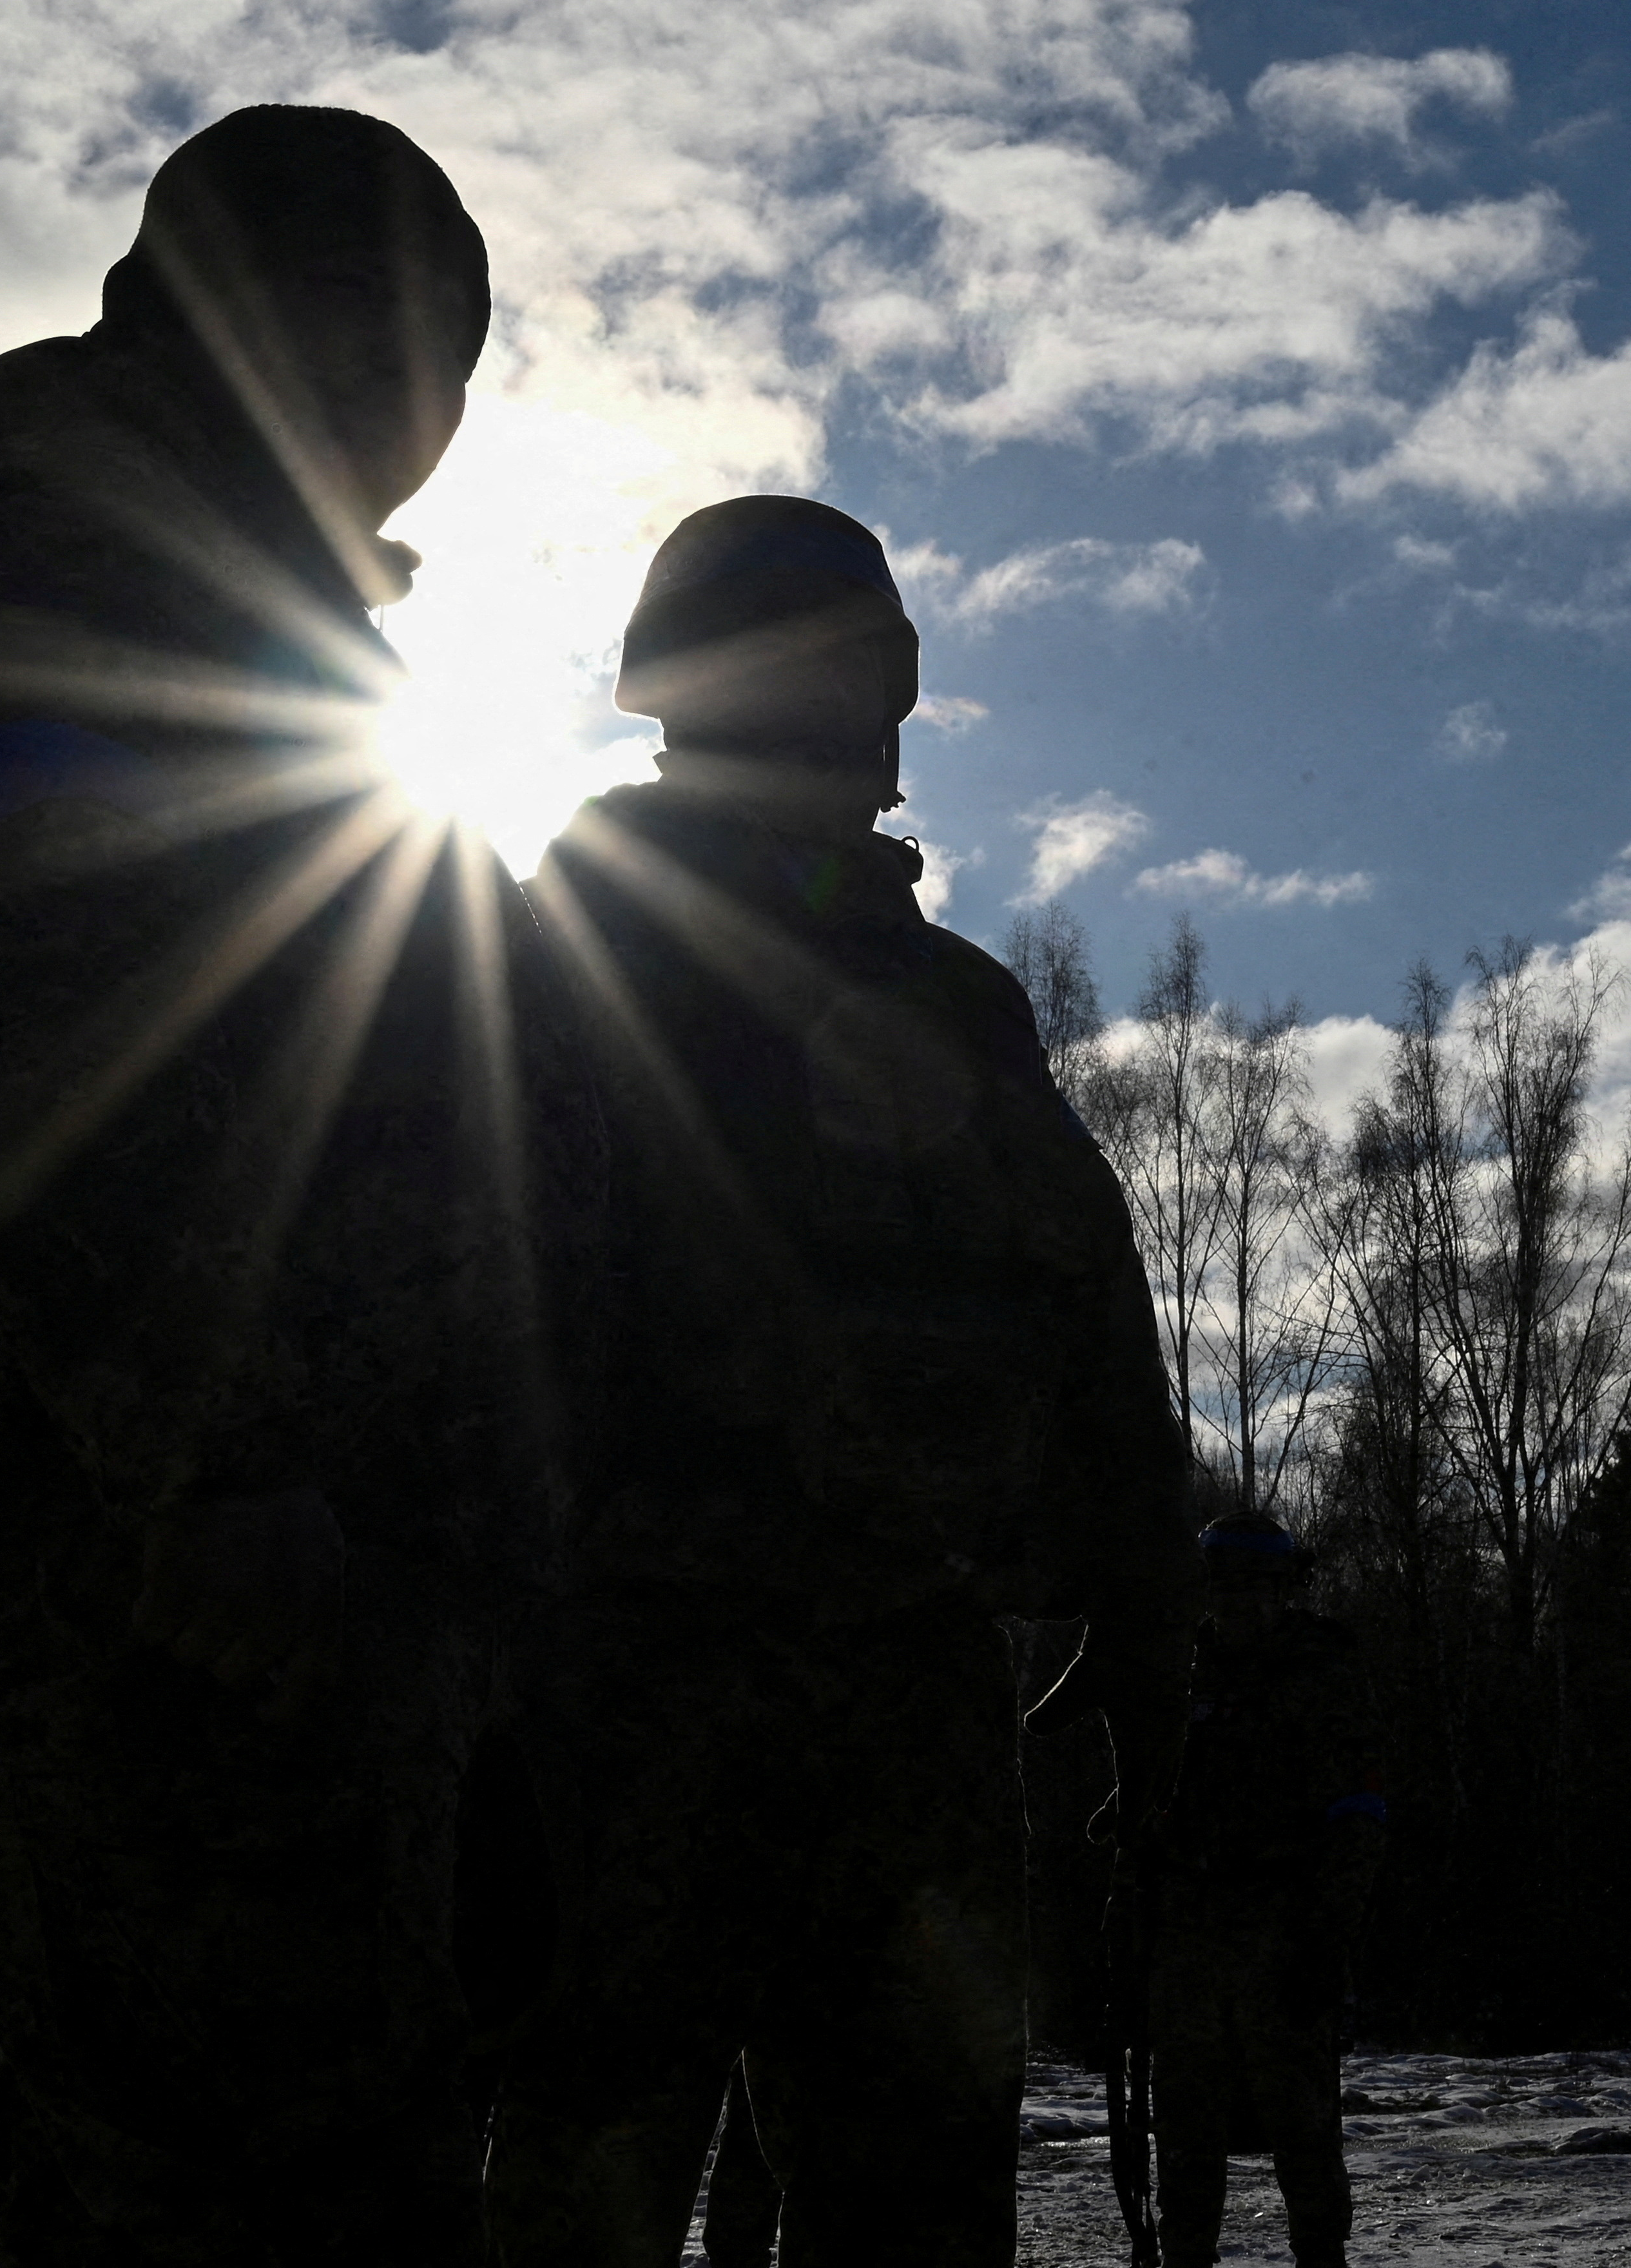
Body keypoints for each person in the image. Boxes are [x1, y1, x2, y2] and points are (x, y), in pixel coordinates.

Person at [0, 104, 604, 2268]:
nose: (430, 424)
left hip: (316, 1558)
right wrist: (227, 1469)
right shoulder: (30, 567)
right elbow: (35, 1046)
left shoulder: (272, 628)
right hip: (144, 1551)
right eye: (417, 358)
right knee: (259, 2191)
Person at [484, 496, 1195, 2267]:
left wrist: (1142, 1616)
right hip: (630, 1687)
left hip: (897, 1706)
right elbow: (467, 1308)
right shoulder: (558, 952)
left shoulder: (954, 1002)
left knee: (907, 2203)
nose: (842, 713)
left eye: (852, 673)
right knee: (593, 2183)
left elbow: (1083, 1305)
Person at [1143, 1513, 1384, 2268]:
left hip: (1287, 1933)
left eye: (1257, 1587)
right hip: (1190, 1938)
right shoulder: (1183, 1669)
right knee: (1185, 2137)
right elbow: (1150, 1800)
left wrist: (1325, 1933)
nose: (1240, 1602)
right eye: (1226, 1587)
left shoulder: (1321, 1672)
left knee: (1305, 2134)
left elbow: (1357, 1814)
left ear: (1284, 1589)